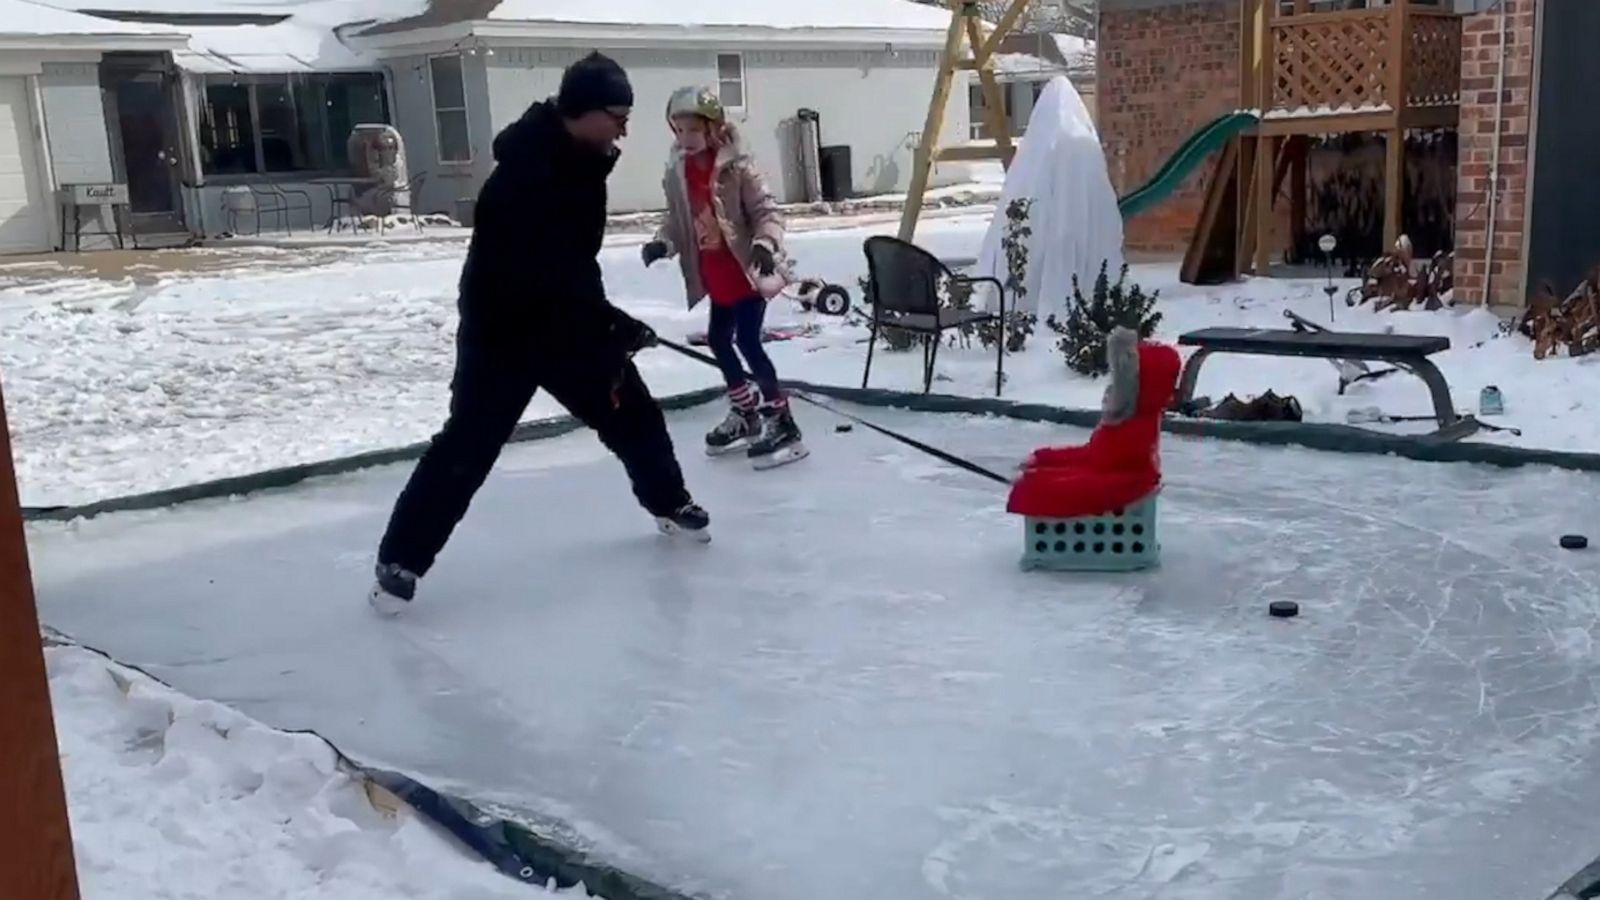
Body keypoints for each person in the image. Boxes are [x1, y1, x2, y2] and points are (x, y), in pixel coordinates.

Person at [369, 52, 709, 616]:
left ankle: (669, 503)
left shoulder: (587, 161)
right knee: (468, 445)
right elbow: (534, 274)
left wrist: (605, 322)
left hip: (566, 321)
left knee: (634, 416)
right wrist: (605, 322)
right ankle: (400, 560)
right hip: (503, 330)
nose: (625, 127)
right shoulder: (523, 176)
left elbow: (573, 265)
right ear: (582, 110)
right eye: (617, 113)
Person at [641, 86, 807, 469]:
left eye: (692, 131)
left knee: (748, 341)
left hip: (745, 273)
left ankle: (781, 419)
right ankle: (745, 411)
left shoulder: (739, 168)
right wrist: (662, 244)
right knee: (718, 340)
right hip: (714, 275)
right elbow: (677, 221)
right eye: (678, 131)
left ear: (714, 128)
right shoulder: (679, 173)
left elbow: (767, 211)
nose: (685, 139)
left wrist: (766, 244)